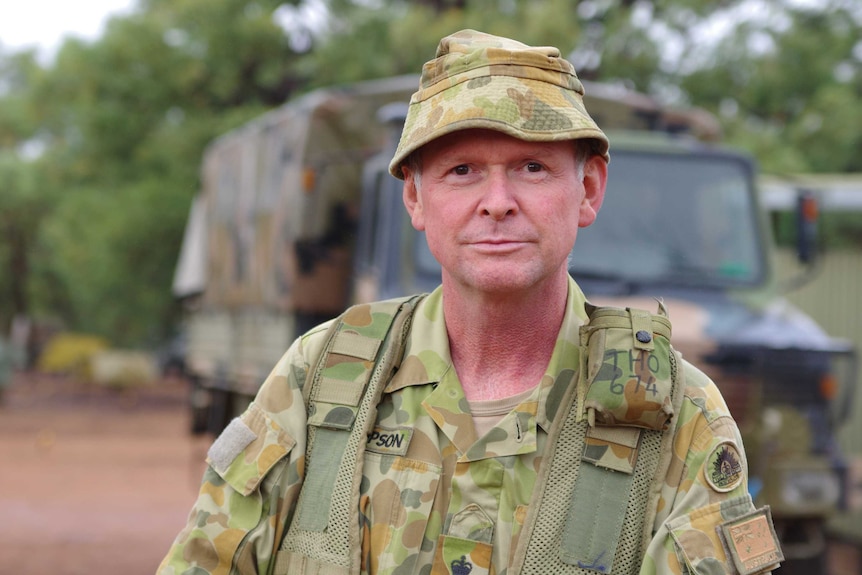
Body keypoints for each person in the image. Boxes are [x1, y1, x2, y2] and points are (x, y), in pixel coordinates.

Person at [159, 30, 782, 575]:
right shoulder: (320, 378)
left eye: (532, 167)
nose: (497, 201)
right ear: (416, 200)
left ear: (587, 190)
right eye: (462, 170)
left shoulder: (677, 414)